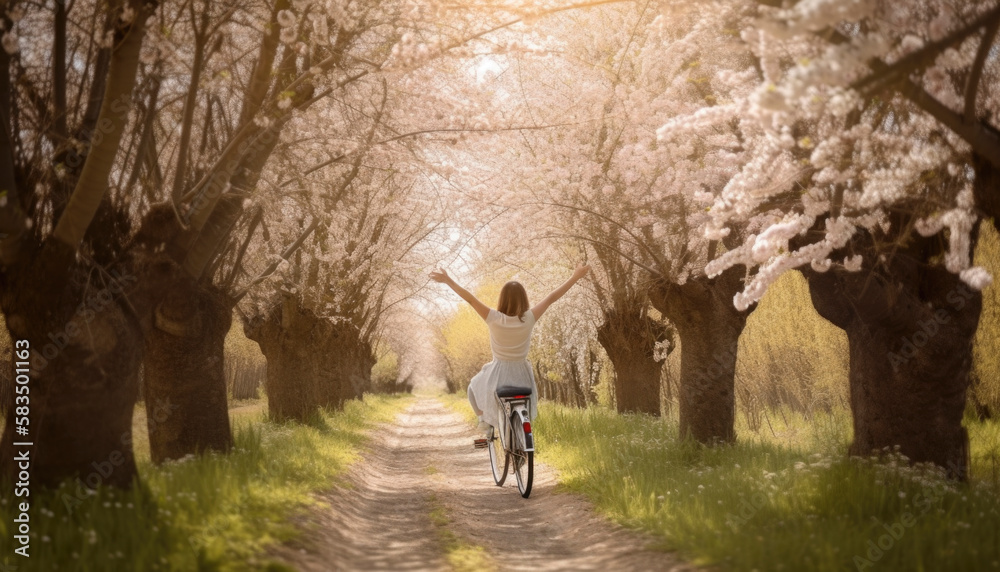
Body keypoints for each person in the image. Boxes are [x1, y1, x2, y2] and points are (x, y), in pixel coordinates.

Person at [430, 265, 591, 434]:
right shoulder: (529, 318)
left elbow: (470, 299)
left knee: (472, 388)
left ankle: (483, 420)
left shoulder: (494, 318)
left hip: (498, 375)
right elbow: (551, 298)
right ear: (524, 299)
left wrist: (448, 280)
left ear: (502, 299)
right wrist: (575, 277)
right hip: (522, 376)